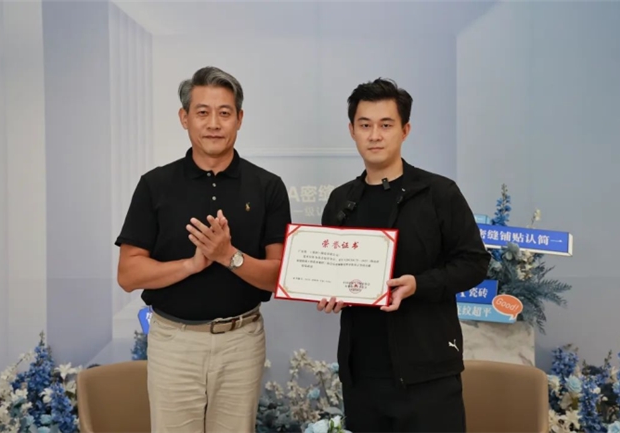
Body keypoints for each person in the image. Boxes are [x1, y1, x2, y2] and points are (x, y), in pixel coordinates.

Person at [115, 66, 291, 433]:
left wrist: (229, 257)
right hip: (173, 341)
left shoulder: (267, 187)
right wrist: (191, 265)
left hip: (241, 341)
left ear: (239, 119)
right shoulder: (155, 185)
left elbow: (279, 276)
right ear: (184, 118)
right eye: (202, 112)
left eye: (224, 113)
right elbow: (128, 275)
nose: (214, 123)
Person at [317, 78, 490, 432]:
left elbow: (475, 263)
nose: (375, 135)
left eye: (386, 125)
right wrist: (329, 291)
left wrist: (418, 285)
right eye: (365, 125)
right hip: (362, 375)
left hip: (429, 373)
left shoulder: (438, 193)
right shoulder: (341, 201)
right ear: (352, 131)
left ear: (405, 130)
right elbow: (331, 271)